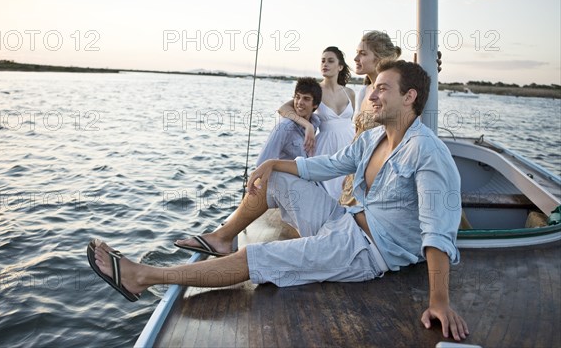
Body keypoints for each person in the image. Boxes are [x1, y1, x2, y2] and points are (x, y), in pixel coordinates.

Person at [87, 60, 469, 341]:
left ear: (410, 97)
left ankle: (143, 277)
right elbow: (329, 165)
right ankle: (223, 237)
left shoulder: (427, 152)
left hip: (364, 251)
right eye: (375, 87)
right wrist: (274, 163)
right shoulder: (374, 138)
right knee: (276, 180)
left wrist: (439, 301)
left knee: (260, 258)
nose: (372, 93)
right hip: (343, 218)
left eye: (383, 88)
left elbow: (438, 233)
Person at [278, 46, 355, 200]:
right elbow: (283, 109)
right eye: (322, 61)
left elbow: (352, 122)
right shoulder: (316, 90)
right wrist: (308, 126)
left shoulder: (350, 93)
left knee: (349, 190)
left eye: (330, 61)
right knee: (326, 193)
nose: (325, 64)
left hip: (349, 144)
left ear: (340, 66)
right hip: (325, 146)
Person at [340, 31, 402, 205]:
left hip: (380, 174)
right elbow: (357, 136)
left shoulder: (394, 94)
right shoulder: (363, 93)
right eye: (357, 52)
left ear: (379, 58)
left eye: (363, 53)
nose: (355, 58)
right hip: (358, 168)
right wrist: (348, 171)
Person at [255, 77, 322, 166]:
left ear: (315, 105)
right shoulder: (284, 127)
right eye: (297, 97)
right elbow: (261, 164)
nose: (299, 102)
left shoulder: (315, 123)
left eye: (306, 99)